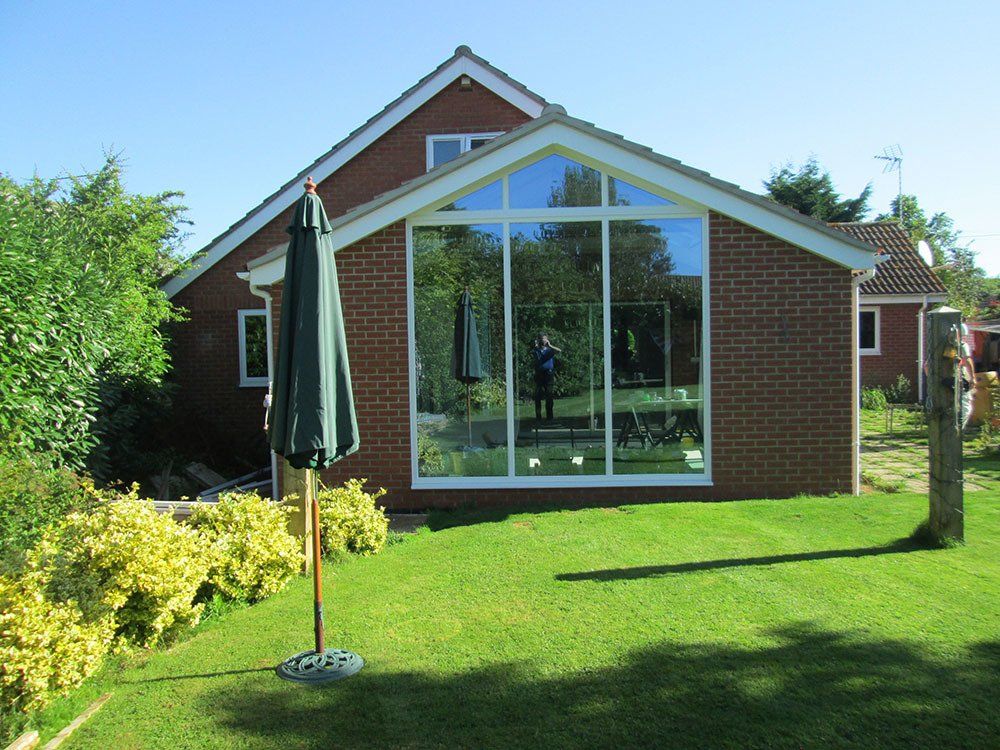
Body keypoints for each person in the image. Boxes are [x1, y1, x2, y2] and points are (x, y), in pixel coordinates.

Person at [531, 333, 561, 422]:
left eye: (544, 339)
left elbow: (559, 351)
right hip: (539, 374)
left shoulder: (549, 350)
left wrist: (550, 345)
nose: (543, 341)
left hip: (549, 374)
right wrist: (536, 346)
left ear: (547, 339)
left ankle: (549, 416)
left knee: (549, 394)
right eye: (541, 339)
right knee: (538, 396)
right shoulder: (536, 351)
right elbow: (534, 357)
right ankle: (538, 416)